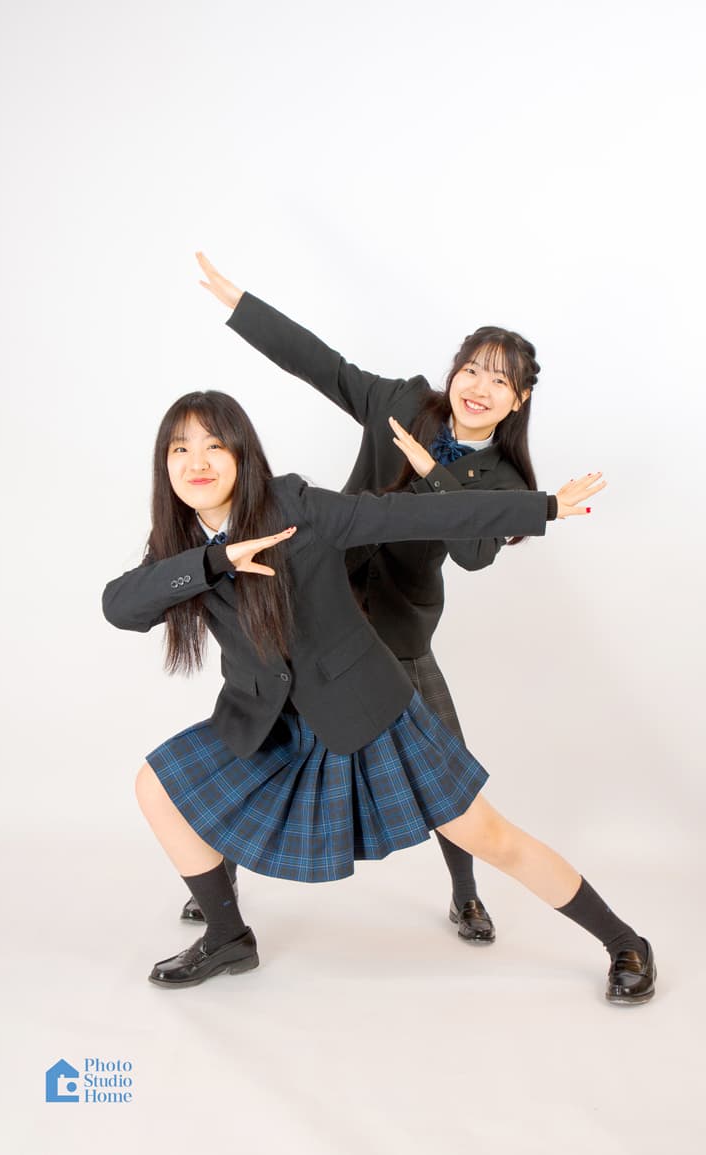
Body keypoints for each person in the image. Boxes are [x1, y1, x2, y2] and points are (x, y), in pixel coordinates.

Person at [102, 388, 655, 1005]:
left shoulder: (296, 506)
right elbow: (119, 607)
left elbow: (416, 517)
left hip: (364, 709)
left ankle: (625, 942)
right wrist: (215, 560)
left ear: (241, 455)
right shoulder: (180, 542)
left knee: (490, 836)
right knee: (157, 787)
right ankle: (228, 937)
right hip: (266, 721)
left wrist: (542, 507)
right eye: (180, 449)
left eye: (213, 446)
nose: (196, 462)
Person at [189, 252, 544, 944]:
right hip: (318, 606)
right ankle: (219, 882)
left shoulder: (504, 480)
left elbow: (474, 553)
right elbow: (323, 366)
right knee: (259, 741)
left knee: (446, 764)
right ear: (454, 371)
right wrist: (242, 307)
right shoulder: (401, 403)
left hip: (400, 630)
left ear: (518, 399)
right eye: (472, 369)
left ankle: (466, 895)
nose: (479, 387)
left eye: (500, 380)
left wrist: (433, 470)